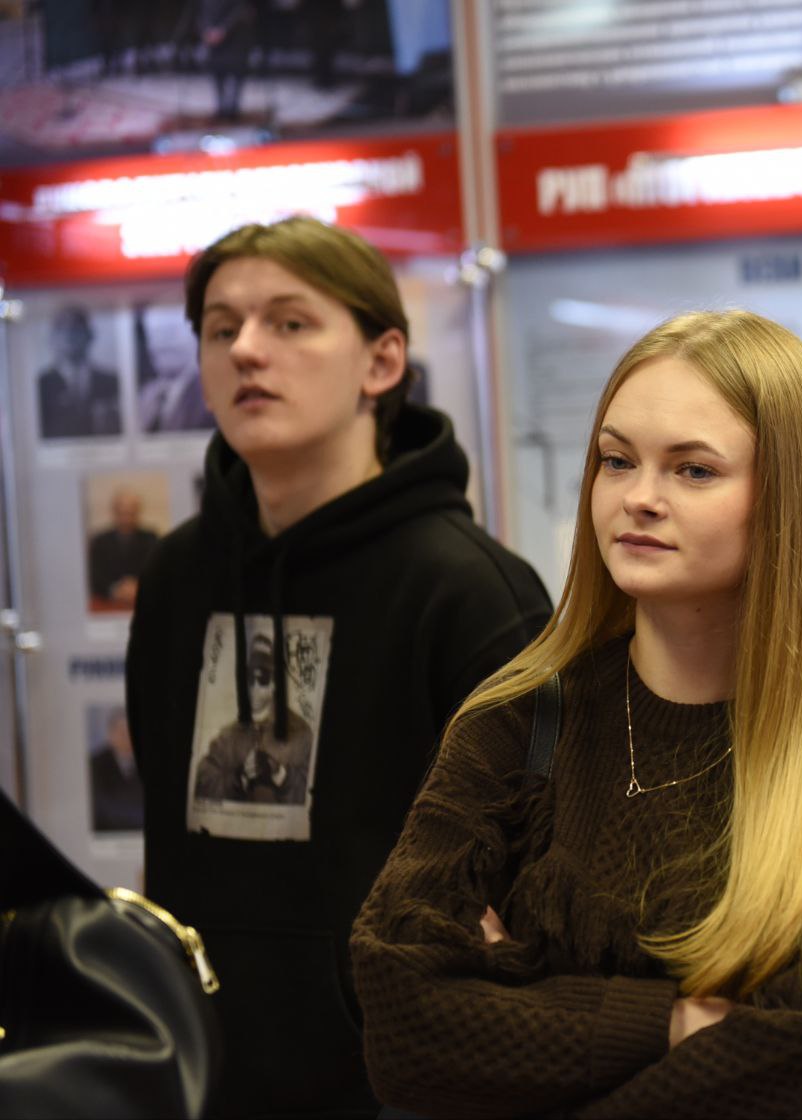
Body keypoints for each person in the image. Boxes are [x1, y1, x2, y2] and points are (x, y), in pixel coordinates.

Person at [352, 309, 802, 1118]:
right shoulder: (517, 720)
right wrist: (676, 1024)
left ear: (790, 500)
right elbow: (400, 1023)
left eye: (693, 471)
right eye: (617, 461)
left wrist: (522, 997)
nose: (639, 498)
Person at [125, 216, 551, 1119]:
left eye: (290, 322)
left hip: (408, 1086)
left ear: (382, 362)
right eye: (221, 328)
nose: (246, 350)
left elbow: (537, 879)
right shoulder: (176, 576)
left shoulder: (473, 590)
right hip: (202, 1074)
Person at [194, 633, 313, 804]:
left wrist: (281, 774)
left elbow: (311, 795)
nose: (254, 687)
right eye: (250, 677)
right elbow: (202, 784)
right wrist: (239, 777)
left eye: (263, 678)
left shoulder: (301, 732)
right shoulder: (228, 736)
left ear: (275, 684)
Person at [37, 304, 122, 439]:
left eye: (76, 329)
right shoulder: (42, 384)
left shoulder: (111, 381)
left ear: (89, 335)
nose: (69, 336)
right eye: (62, 329)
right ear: (53, 337)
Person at [136, 304, 217, 433]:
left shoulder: (211, 395)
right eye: (155, 334)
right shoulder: (146, 396)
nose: (161, 344)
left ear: (195, 335)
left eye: (170, 333)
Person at [87, 486, 160, 610]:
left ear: (138, 512)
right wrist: (114, 589)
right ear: (114, 512)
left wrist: (139, 586)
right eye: (122, 513)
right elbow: (93, 576)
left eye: (131, 513)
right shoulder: (100, 541)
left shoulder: (151, 538)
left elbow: (159, 570)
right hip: (108, 605)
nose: (127, 518)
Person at [88, 706, 144, 832]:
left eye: (131, 732)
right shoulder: (95, 764)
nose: (127, 738)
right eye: (122, 732)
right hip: (107, 832)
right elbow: (99, 806)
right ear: (110, 734)